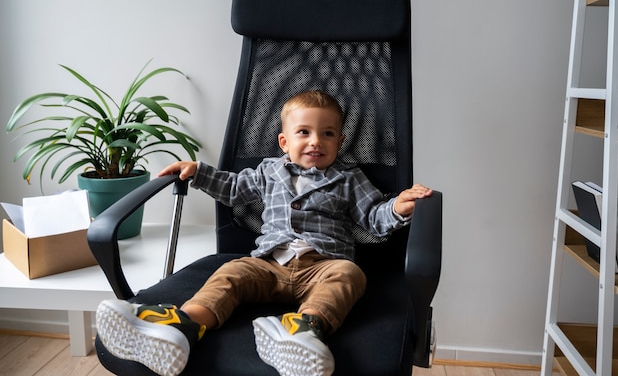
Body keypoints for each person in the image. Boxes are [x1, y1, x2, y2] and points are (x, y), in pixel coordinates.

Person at [95, 90, 432, 376]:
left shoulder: (349, 179)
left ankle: (303, 331)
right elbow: (234, 189)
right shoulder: (269, 171)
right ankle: (183, 326)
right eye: (304, 132)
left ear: (340, 141)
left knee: (350, 275)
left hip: (323, 265)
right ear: (284, 141)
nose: (316, 141)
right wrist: (197, 172)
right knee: (232, 272)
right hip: (269, 264)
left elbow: (373, 218)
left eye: (328, 134)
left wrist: (398, 207)